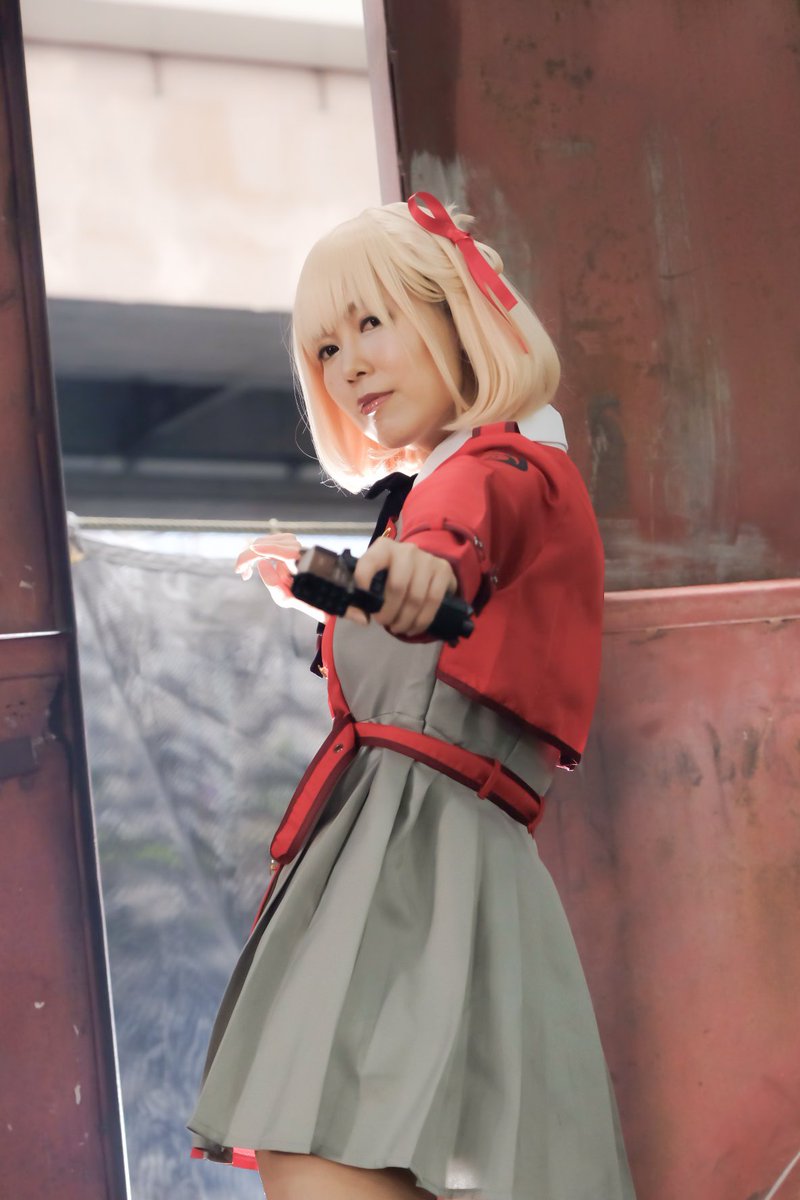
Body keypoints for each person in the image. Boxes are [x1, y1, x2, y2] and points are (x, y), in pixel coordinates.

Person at [187, 193, 637, 1200]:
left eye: (370, 324)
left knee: (320, 1138)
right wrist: (326, 581)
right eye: (325, 349)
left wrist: (412, 567)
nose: (347, 366)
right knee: (336, 1140)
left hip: (425, 850)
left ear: (454, 315)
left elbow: (458, 540)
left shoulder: (507, 469)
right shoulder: (438, 485)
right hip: (397, 845)